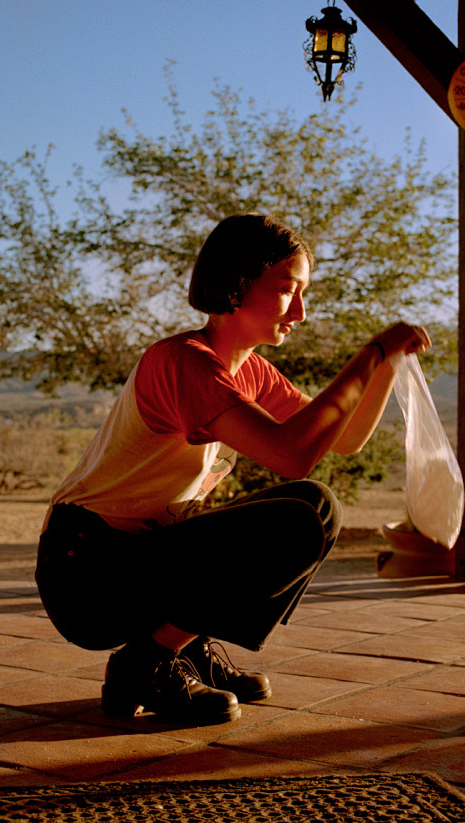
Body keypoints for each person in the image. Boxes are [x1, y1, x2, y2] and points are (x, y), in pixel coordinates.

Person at [35, 213, 430, 726]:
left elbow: (346, 439)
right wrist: (369, 353)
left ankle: (183, 645)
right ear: (238, 284)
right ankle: (144, 664)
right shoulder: (184, 362)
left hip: (140, 554)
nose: (302, 312)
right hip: (87, 569)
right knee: (296, 522)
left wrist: (386, 365)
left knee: (315, 506)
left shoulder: (251, 370)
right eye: (289, 290)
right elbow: (292, 454)